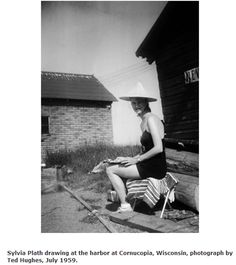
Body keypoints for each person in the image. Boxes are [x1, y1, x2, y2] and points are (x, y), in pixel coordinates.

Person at [106, 82, 167, 212]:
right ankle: (129, 200)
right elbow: (146, 149)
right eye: (133, 103)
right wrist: (128, 158)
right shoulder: (143, 122)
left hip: (155, 167)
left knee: (111, 170)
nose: (136, 106)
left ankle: (125, 205)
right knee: (116, 164)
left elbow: (158, 148)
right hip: (148, 163)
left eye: (139, 102)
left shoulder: (151, 119)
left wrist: (136, 160)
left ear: (146, 102)